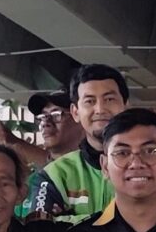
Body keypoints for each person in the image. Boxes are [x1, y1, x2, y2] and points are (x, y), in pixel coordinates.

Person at [26, 64, 132, 220]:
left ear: (126, 107)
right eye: (89, 101)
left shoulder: (150, 167)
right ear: (76, 112)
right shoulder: (54, 175)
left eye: (109, 99)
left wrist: (67, 221)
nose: (100, 109)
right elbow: (38, 230)